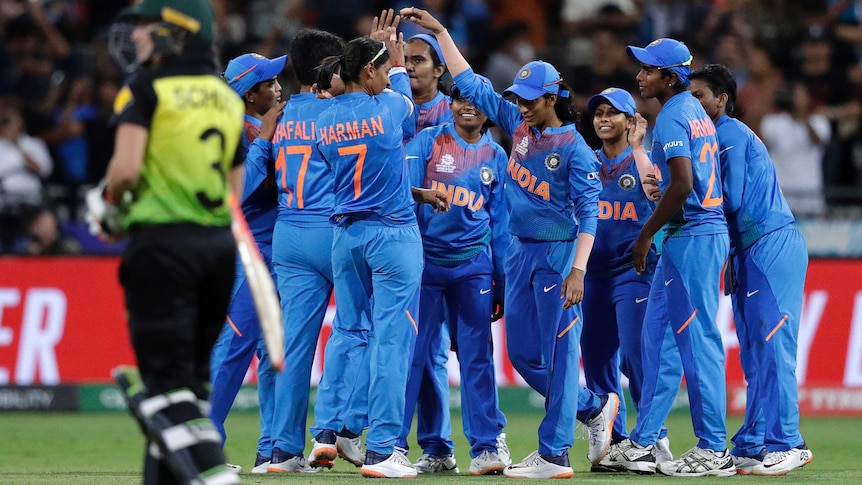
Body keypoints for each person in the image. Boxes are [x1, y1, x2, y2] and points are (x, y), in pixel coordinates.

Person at [401, 7, 619, 479]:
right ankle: (593, 408)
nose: (520, 105)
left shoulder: (575, 151)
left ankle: (555, 454)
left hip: (558, 256)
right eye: (517, 98)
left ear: (554, 98)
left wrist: (578, 270)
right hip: (520, 253)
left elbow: (589, 216)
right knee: (522, 355)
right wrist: (440, 33)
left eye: (530, 99)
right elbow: (473, 84)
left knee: (561, 356)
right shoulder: (519, 130)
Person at [87, 1, 245, 484]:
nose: (135, 37)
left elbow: (126, 170)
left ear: (176, 34)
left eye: (144, 27)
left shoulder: (146, 87)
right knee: (189, 388)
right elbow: (233, 192)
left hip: (161, 247)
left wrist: (109, 205)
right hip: (218, 251)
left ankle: (216, 473)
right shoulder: (227, 96)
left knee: (162, 387)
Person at [311, 24, 449, 478]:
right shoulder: (390, 106)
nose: (394, 73)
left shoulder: (322, 118)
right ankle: (383, 450)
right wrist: (395, 62)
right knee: (392, 340)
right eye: (387, 67)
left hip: (346, 236)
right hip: (392, 238)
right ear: (369, 71)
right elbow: (407, 113)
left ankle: (327, 433)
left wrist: (417, 192)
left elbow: (368, 171)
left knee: (349, 334)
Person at [603, 38, 733, 477]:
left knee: (698, 343)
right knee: (656, 341)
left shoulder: (676, 113)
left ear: (670, 77)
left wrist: (645, 235)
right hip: (688, 236)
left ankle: (714, 447)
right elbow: (682, 181)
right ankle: (644, 442)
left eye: (647, 70)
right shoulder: (694, 112)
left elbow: (682, 183)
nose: (640, 77)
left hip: (692, 236)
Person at [688, 63, 814, 476]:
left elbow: (734, 200)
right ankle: (755, 441)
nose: (692, 103)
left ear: (721, 100)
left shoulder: (728, 136)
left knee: (774, 346)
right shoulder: (713, 137)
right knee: (756, 352)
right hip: (745, 250)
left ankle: (789, 442)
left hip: (769, 245)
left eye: (700, 96)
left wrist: (679, 206)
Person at [398, 80, 510, 475]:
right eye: (461, 99)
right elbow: (402, 203)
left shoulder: (497, 156)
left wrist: (500, 278)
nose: (468, 107)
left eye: (476, 101)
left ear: (489, 110)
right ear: (451, 102)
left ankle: (486, 448)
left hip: (473, 267)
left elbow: (499, 223)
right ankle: (394, 446)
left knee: (477, 357)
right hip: (424, 263)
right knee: (411, 355)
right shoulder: (426, 142)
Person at [265, 28, 351, 474]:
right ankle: (337, 428)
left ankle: (282, 450)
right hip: (331, 228)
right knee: (360, 327)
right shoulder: (336, 113)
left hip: (287, 231)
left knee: (295, 346)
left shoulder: (279, 114)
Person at [579, 87, 677, 471]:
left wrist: (638, 146)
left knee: (638, 358)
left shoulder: (645, 160)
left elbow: (655, 194)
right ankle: (615, 442)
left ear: (630, 120)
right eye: (598, 113)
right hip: (594, 276)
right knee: (598, 360)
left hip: (634, 272)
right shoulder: (586, 160)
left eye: (613, 113)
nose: (603, 119)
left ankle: (654, 439)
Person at [208, 50, 286, 474]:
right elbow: (236, 193)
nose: (278, 87)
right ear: (249, 93)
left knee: (274, 351)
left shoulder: (259, 127)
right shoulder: (229, 131)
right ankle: (204, 446)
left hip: (278, 252)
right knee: (231, 348)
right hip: (247, 254)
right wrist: (267, 140)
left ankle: (273, 448)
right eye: (269, 83)